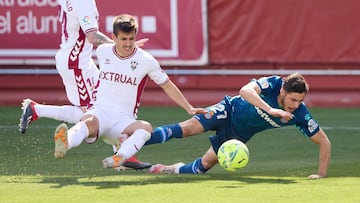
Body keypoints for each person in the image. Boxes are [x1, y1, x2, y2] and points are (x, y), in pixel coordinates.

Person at [52, 14, 206, 169]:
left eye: (131, 39)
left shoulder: (146, 60)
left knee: (146, 128)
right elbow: (90, 37)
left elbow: (167, 85)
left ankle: (121, 156)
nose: (128, 43)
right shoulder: (103, 51)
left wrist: (189, 108)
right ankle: (66, 142)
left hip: (124, 122)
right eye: (123, 39)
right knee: (88, 122)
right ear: (113, 37)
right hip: (100, 114)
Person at [18, 0, 150, 170]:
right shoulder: (84, 2)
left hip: (81, 62)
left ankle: (124, 153)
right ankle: (123, 153)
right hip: (77, 64)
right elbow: (92, 36)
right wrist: (122, 46)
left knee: (107, 106)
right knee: (91, 113)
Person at [147, 73, 331, 179]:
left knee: (203, 166)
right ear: (283, 91)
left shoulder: (299, 113)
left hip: (238, 134)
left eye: (300, 101)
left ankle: (169, 168)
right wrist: (271, 110)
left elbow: (324, 141)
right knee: (188, 129)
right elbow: (245, 91)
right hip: (229, 110)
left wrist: (321, 174)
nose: (295, 105)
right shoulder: (274, 83)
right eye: (293, 99)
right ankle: (133, 144)